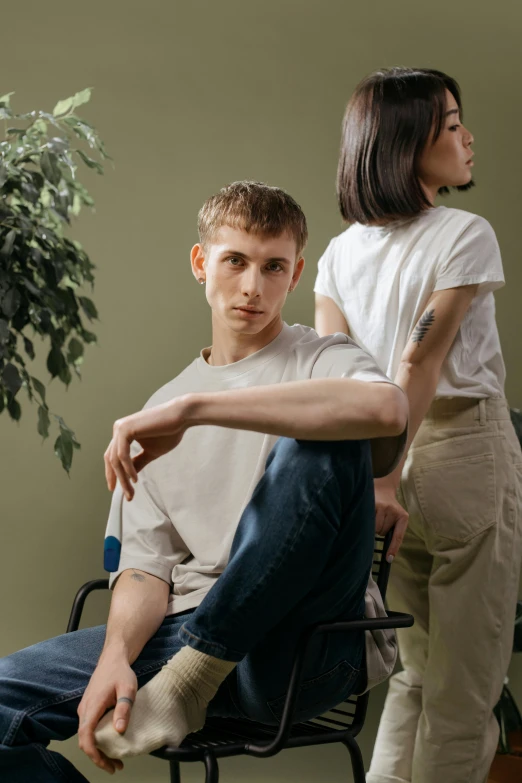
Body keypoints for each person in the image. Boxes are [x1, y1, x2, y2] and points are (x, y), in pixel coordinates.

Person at [0, 181, 408, 781]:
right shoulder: (159, 406)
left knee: (325, 438)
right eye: (235, 261)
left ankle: (194, 674)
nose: (252, 286)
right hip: (180, 629)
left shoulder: (325, 359)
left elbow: (388, 412)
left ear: (294, 276)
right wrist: (116, 655)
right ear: (201, 263)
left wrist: (198, 410)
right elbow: (145, 567)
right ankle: (189, 669)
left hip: (300, 643)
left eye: (273, 267)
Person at [314, 67, 522, 783]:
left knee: (411, 676)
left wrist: (372, 482)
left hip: (380, 467)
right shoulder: (464, 233)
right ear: (408, 144)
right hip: (461, 453)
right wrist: (387, 477)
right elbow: (421, 363)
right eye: (454, 124)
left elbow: (337, 378)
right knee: (466, 693)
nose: (469, 137)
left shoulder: (340, 253)